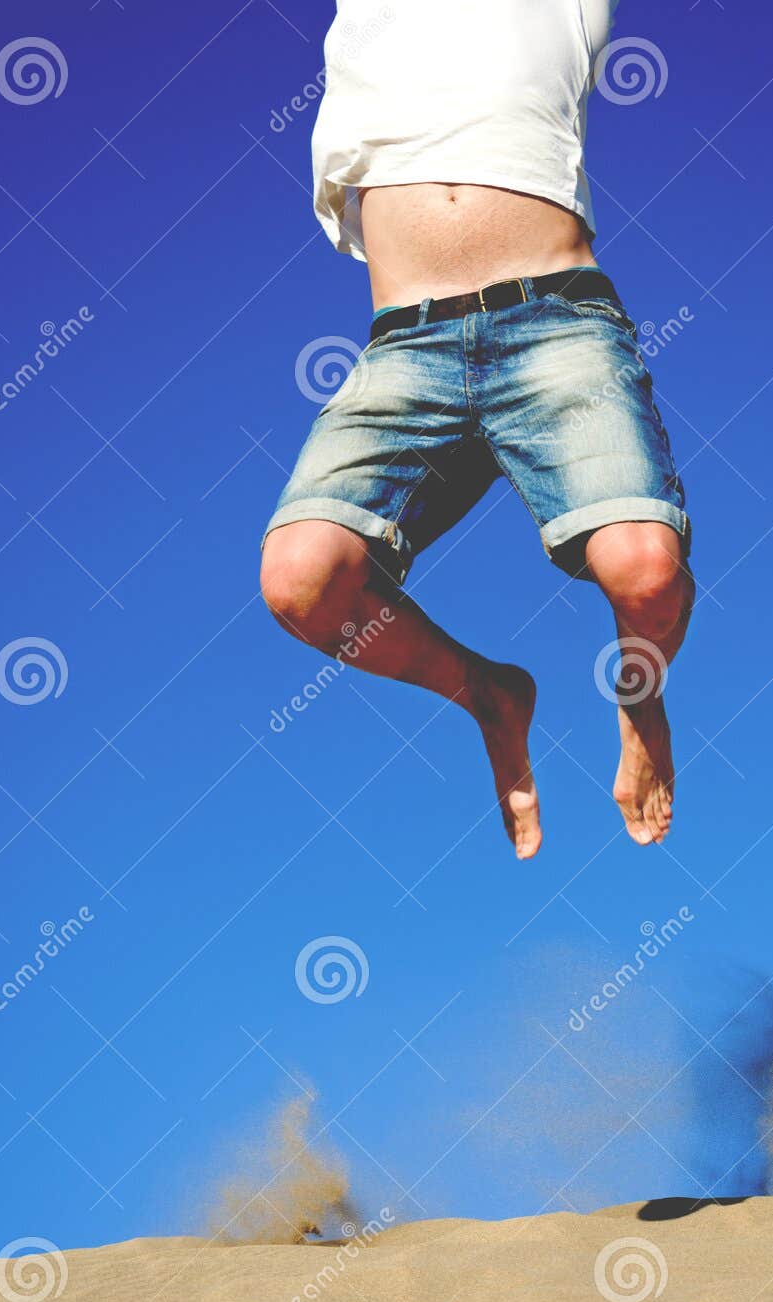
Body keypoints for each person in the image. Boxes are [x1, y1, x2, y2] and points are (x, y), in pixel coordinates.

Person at [260, 0, 693, 859]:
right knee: (302, 582)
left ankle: (641, 702)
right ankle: (487, 693)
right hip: (405, 347)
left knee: (644, 569)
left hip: (556, 321)